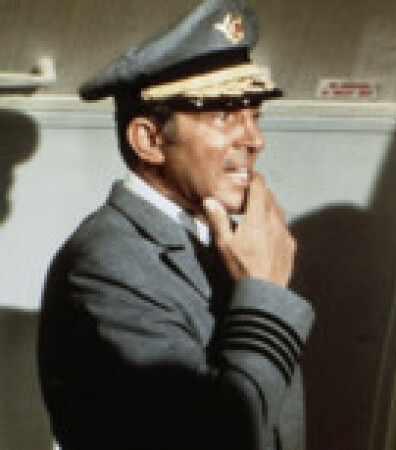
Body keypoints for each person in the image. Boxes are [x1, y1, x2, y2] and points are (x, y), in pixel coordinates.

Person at [36, 1, 314, 449]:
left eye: (255, 116)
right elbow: (218, 436)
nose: (255, 140)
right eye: (223, 116)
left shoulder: (215, 238)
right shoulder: (107, 264)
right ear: (148, 140)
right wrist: (264, 293)